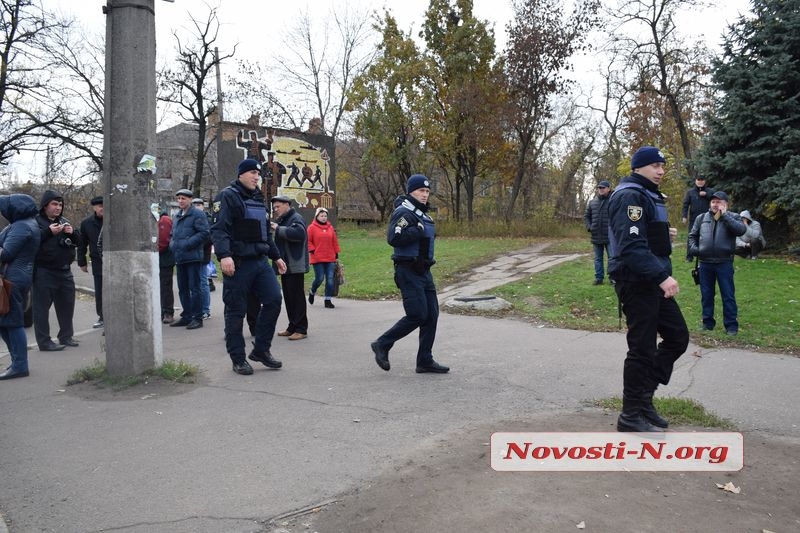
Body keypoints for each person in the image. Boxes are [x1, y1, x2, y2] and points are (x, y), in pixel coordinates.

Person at [607, 146, 689, 432]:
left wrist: (660, 233)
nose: (661, 170)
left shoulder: (646, 195)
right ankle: (630, 415)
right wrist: (662, 277)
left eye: (662, 165)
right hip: (637, 281)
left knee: (678, 336)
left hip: (651, 280)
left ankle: (644, 400)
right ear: (638, 167)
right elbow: (630, 247)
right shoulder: (629, 195)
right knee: (641, 349)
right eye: (655, 165)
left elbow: (639, 234)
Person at [211, 158, 286, 375]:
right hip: (238, 263)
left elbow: (264, 234)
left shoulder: (258, 199)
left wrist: (277, 256)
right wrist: (224, 255)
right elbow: (218, 229)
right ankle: (238, 358)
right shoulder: (227, 196)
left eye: (258, 173)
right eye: (252, 172)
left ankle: (261, 350)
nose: (256, 177)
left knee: (273, 300)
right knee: (236, 311)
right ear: (241, 174)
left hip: (261, 262)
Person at [370, 174, 449, 374]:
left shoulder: (422, 214)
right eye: (421, 191)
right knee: (417, 315)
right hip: (408, 270)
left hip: (424, 271)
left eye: (427, 191)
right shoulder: (405, 213)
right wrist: (417, 230)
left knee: (432, 315)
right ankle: (382, 344)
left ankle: (424, 360)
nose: (424, 195)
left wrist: (420, 229)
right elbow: (393, 237)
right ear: (411, 191)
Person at [687, 191, 747, 335]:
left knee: (728, 295)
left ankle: (731, 326)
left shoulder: (733, 217)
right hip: (705, 263)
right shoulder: (702, 218)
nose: (715, 204)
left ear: (726, 204)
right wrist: (697, 250)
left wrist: (724, 215)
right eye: (713, 202)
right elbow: (692, 236)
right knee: (706, 295)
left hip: (724, 263)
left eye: (719, 202)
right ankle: (707, 324)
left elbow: (741, 230)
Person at [33, 190, 83, 351]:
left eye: (60, 204)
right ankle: (44, 341)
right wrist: (48, 232)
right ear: (45, 205)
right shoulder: (36, 222)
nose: (58, 207)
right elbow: (30, 241)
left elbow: (79, 241)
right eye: (54, 204)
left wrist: (72, 233)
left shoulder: (64, 221)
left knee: (67, 305)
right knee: (41, 309)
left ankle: (66, 336)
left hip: (65, 271)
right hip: (44, 271)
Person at [0, 194, 41, 380]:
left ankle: (20, 365)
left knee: (12, 322)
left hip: (12, 280)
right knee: (5, 322)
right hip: (16, 278)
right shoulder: (26, 224)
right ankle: (17, 362)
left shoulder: (22, 226)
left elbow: (6, 253)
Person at [169, 189, 209, 330]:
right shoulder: (177, 216)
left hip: (193, 257)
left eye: (183, 198)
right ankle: (186, 316)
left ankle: (197, 317)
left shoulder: (198, 214)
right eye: (178, 198)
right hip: (180, 257)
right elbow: (172, 234)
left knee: (195, 288)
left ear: (190, 200)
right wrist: (172, 244)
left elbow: (204, 233)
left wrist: (188, 243)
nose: (180, 201)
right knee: (182, 289)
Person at [270, 195, 309, 340]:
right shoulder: (286, 219)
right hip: (286, 265)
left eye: (278, 207)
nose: (275, 210)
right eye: (274, 208)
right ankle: (292, 326)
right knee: (289, 297)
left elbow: (299, 234)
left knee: (297, 297)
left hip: (295, 265)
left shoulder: (296, 218)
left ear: (287, 205)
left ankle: (301, 329)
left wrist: (278, 228)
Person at [77, 196, 104, 328]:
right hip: (98, 261)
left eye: (104, 205)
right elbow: (82, 243)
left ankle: (116, 315)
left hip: (115, 262)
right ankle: (102, 316)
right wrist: (82, 261)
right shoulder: (87, 223)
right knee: (99, 290)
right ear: (94, 207)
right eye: (99, 206)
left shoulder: (113, 221)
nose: (102, 208)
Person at [307, 207, 340, 308]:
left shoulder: (330, 228)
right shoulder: (311, 228)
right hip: (317, 258)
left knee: (330, 280)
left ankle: (328, 300)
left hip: (330, 257)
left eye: (325, 216)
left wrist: (336, 254)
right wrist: (312, 250)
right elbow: (308, 241)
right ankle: (312, 291)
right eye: (321, 216)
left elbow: (334, 241)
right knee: (320, 278)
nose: (324, 218)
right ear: (317, 216)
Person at [584, 180, 612, 285]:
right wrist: (590, 227)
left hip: (610, 236)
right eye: (599, 188)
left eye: (603, 187)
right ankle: (599, 278)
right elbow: (586, 216)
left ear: (608, 188)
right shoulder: (592, 202)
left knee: (612, 258)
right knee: (598, 259)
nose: (601, 189)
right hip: (596, 235)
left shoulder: (613, 200)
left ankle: (612, 278)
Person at [681, 176, 714, 261]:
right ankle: (689, 257)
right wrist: (684, 216)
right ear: (695, 181)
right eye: (698, 180)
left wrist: (706, 195)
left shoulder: (709, 191)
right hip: (693, 219)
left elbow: (715, 201)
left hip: (707, 219)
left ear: (705, 181)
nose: (700, 181)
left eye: (702, 180)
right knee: (691, 237)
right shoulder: (690, 192)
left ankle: (704, 256)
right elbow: (685, 205)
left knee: (706, 237)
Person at [191, 197, 213, 319]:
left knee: (203, 282)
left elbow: (209, 238)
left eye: (199, 204)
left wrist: (194, 242)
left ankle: (205, 310)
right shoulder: (191, 218)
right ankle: (196, 309)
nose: (197, 206)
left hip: (203, 255)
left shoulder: (208, 219)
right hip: (191, 255)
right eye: (195, 204)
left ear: (203, 206)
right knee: (194, 283)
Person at [158, 211, 176, 324]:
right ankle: (163, 311)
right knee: (162, 286)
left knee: (165, 286)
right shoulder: (161, 220)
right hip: (161, 257)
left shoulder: (164, 220)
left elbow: (164, 240)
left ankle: (167, 312)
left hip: (163, 258)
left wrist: (154, 251)